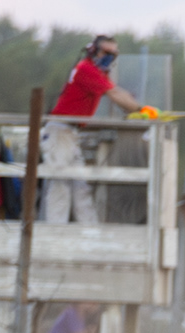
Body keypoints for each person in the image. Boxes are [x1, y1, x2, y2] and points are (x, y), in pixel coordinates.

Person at [43, 36, 145, 225]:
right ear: (93, 51)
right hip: (60, 131)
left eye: (113, 54)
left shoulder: (96, 72)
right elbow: (114, 94)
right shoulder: (86, 69)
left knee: (81, 188)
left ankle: (90, 234)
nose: (109, 58)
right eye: (106, 52)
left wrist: (136, 105)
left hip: (69, 133)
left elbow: (116, 91)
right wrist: (141, 110)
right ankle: (54, 236)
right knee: (60, 186)